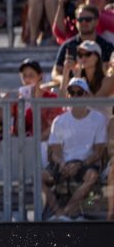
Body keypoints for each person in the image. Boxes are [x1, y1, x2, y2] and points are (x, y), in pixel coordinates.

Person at [43, 78, 105, 220]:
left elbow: (98, 152)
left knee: (92, 176)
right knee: (37, 178)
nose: (75, 96)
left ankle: (65, 212)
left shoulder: (98, 119)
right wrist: (63, 163)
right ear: (68, 95)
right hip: (64, 163)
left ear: (87, 95)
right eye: (72, 92)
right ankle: (59, 212)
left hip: (85, 163)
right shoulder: (59, 121)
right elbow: (55, 152)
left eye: (80, 92)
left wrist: (80, 164)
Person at [52, 4, 114, 84]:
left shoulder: (106, 46)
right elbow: (55, 72)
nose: (83, 22)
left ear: (96, 21)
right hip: (72, 91)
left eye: (88, 19)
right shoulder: (68, 45)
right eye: (80, 19)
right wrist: (66, 81)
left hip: (100, 89)